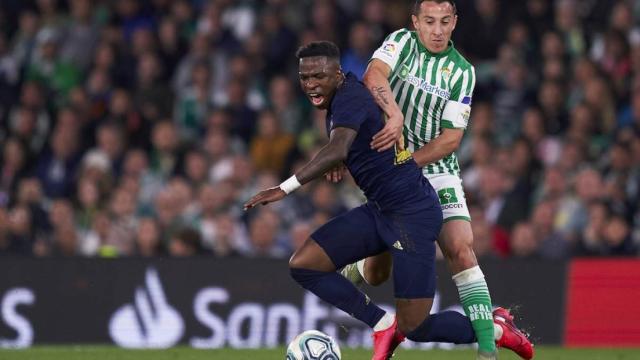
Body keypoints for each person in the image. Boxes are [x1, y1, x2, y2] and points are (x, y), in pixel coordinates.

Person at [245, 41, 493, 360]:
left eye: (318, 76)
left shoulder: (350, 97)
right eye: (305, 78)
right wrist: (343, 157)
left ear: (338, 73)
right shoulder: (337, 98)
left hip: (412, 214)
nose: (311, 85)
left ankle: (494, 327)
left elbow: (337, 147)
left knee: (415, 326)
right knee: (304, 264)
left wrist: (284, 188)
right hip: (381, 210)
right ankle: (381, 323)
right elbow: (346, 146)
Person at [340, 0, 534, 359]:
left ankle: (488, 349)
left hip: (434, 167)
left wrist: (407, 164)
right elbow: (373, 75)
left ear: (455, 22)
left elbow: (451, 138)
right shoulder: (401, 41)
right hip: (388, 164)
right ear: (416, 22)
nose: (437, 30)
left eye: (445, 22)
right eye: (429, 21)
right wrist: (394, 115)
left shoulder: (463, 71)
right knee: (378, 271)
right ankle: (358, 266)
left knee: (460, 246)